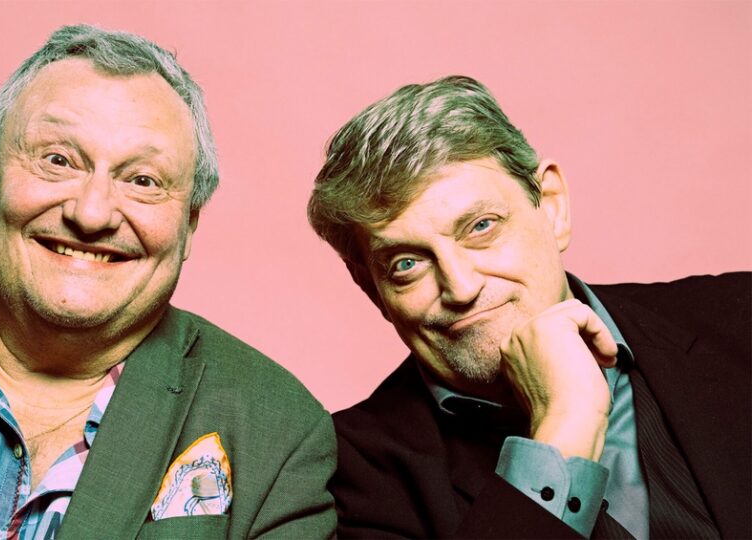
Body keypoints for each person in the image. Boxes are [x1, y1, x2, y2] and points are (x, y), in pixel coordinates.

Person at [0, 25, 335, 539]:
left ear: (189, 224)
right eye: (58, 160)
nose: (91, 213)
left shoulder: (278, 435)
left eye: (143, 180)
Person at [308, 75, 750, 539]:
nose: (461, 287)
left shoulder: (740, 319)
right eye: (406, 263)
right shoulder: (349, 475)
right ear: (370, 287)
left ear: (553, 207)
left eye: (481, 226)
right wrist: (564, 423)